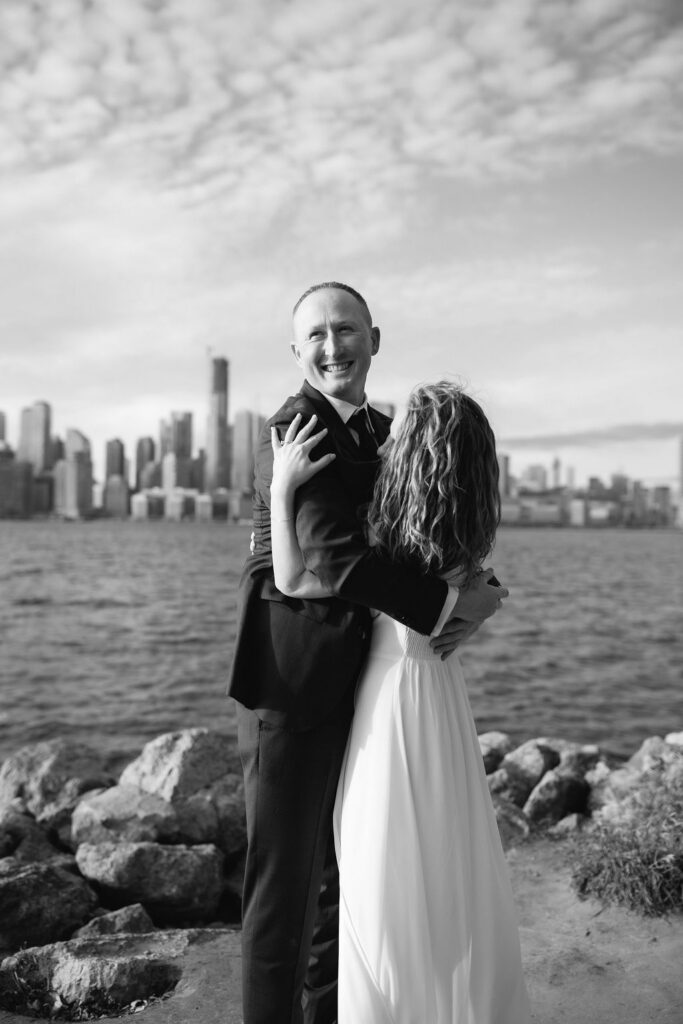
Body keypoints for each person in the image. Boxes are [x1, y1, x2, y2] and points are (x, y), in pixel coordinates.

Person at [227, 282, 507, 1024]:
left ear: (373, 339)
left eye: (344, 330)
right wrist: (447, 609)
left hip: (364, 689)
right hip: (293, 691)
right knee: (281, 896)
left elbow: (435, 517)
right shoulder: (292, 429)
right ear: (296, 352)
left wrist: (482, 590)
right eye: (314, 335)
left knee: (339, 889)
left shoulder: (388, 434)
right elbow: (330, 561)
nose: (331, 346)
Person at [269, 382, 531, 1024]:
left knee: (380, 872)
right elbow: (476, 592)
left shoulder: (387, 530)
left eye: (403, 423)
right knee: (450, 862)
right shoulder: (459, 526)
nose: (389, 425)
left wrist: (280, 490)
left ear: (417, 446)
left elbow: (295, 577)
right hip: (439, 697)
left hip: (388, 702)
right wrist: (483, 598)